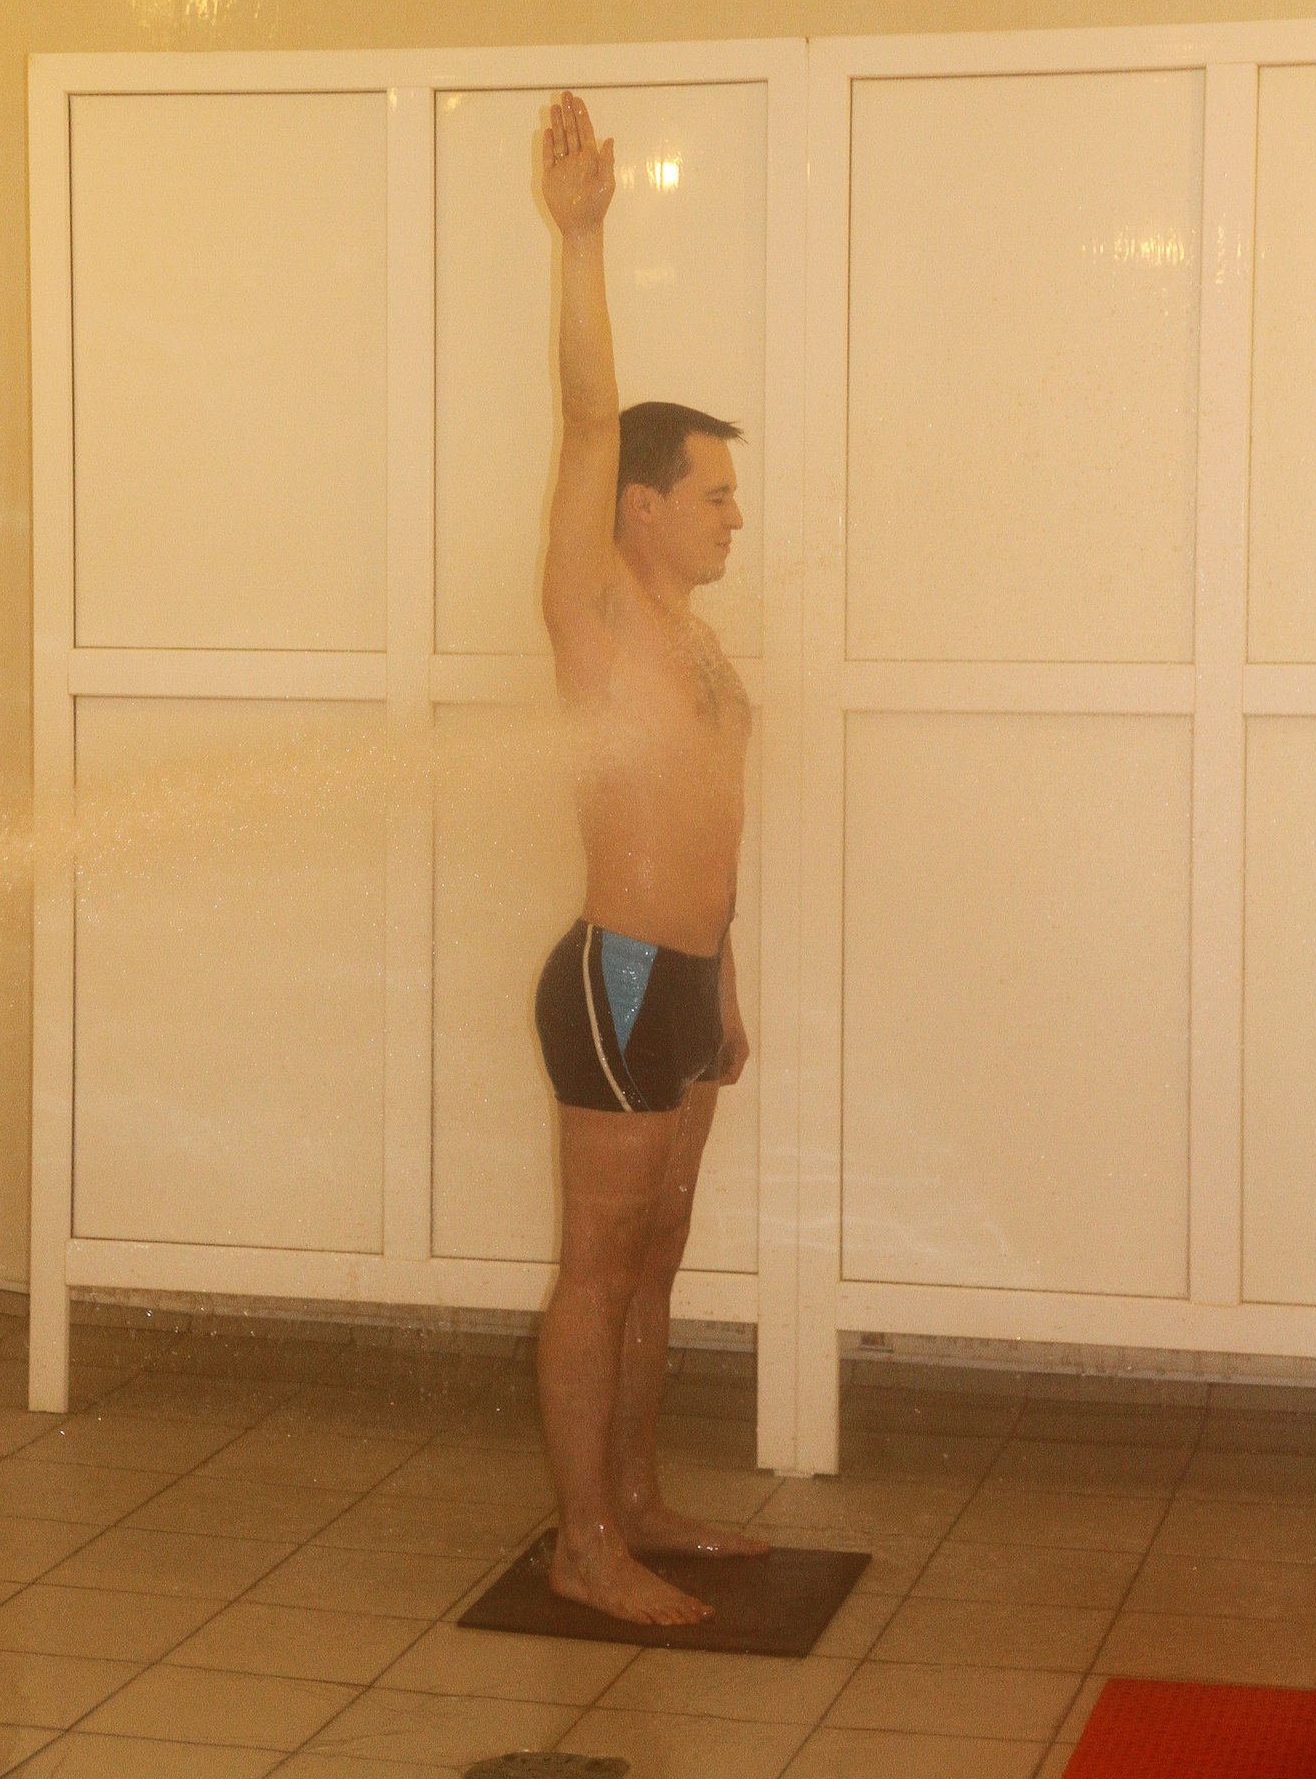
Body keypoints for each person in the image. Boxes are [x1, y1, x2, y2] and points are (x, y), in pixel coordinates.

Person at [533, 90, 768, 1627]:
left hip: (685, 982)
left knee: (661, 1254)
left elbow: (716, 829)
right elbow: (581, 420)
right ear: (644, 507)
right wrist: (582, 238)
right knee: (601, 1263)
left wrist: (727, 984)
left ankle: (636, 1501)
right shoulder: (601, 615)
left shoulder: (702, 645)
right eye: (717, 495)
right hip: (615, 978)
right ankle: (581, 1543)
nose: (737, 518)